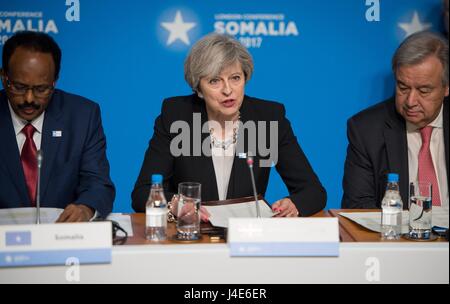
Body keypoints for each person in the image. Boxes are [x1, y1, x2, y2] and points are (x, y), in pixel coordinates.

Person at [132, 33, 326, 217]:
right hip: (193, 235)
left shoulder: (268, 118)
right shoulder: (176, 116)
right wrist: (177, 205)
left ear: (245, 78)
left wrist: (294, 204)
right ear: (198, 88)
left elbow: (313, 191)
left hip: (248, 236)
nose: (228, 90)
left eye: (235, 78)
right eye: (215, 81)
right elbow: (143, 193)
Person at [0, 31, 115, 221]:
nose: (29, 99)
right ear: (4, 77)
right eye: (19, 87)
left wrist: (85, 208)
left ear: (55, 81)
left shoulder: (82, 116)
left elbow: (97, 183)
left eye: (41, 89)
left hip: (62, 239)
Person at [342, 31, 449, 209]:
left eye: (423, 90)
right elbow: (358, 207)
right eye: (403, 87)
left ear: (446, 88)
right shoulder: (366, 130)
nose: (410, 101)